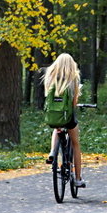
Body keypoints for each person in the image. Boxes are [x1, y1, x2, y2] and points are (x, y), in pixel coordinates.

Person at [43, 52, 85, 188]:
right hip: (68, 117)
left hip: (53, 116)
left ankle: (52, 152)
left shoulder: (50, 77)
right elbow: (73, 103)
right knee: (75, 143)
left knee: (57, 128)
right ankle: (78, 179)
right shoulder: (73, 79)